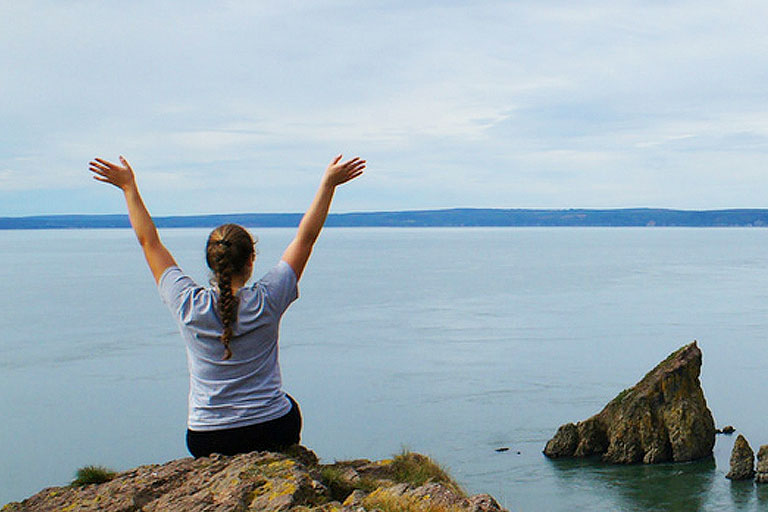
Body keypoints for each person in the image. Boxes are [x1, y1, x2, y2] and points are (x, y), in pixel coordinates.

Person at [88, 154, 366, 457]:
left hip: (207, 438)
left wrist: (129, 187)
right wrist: (328, 185)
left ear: (210, 262)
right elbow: (306, 238)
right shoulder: (268, 299)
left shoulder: (186, 303)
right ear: (251, 260)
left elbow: (149, 243)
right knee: (288, 404)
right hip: (270, 428)